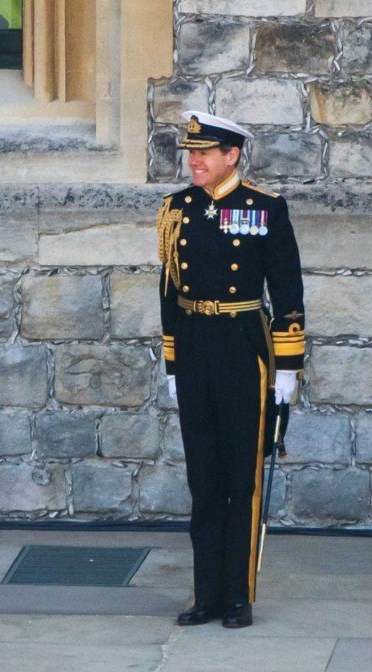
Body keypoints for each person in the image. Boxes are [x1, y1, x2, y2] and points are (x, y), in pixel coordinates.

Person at [157, 111, 305, 629]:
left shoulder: (265, 208)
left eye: (204, 153)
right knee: (203, 476)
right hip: (195, 344)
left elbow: (287, 289)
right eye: (190, 153)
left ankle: (238, 596)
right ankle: (206, 594)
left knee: (241, 476)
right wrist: (172, 361)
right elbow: (170, 291)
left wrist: (287, 367)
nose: (193, 161)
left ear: (232, 156)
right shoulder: (176, 210)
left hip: (245, 346)